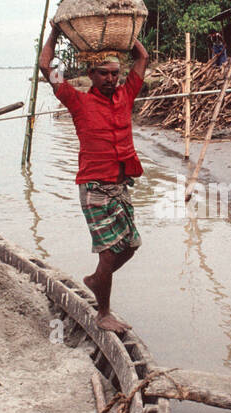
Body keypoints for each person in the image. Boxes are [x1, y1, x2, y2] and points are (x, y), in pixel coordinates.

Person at [38, 28, 149, 332]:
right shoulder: (77, 101)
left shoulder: (126, 95)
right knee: (110, 252)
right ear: (90, 74)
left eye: (115, 73)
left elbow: (142, 56)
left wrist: (126, 35)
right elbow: (46, 67)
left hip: (120, 186)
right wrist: (54, 33)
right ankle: (104, 314)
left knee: (130, 246)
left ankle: (96, 280)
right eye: (104, 74)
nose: (111, 79)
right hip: (94, 188)